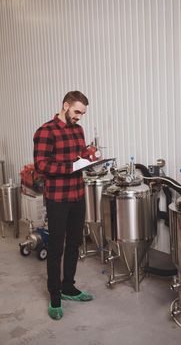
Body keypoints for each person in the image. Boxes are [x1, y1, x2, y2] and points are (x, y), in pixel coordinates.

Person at [33, 91, 94, 320]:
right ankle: (55, 295)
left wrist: (88, 156)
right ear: (65, 105)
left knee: (74, 244)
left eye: (82, 113)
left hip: (78, 195)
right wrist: (70, 167)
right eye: (77, 111)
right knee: (56, 247)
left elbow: (78, 156)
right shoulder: (45, 131)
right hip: (57, 199)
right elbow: (40, 165)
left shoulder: (78, 130)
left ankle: (68, 287)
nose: (79, 117)